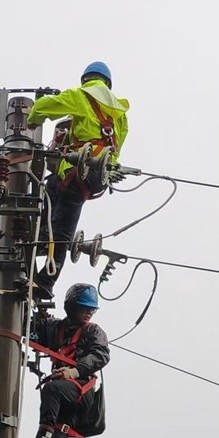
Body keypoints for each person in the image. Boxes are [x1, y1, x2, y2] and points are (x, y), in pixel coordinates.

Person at [26, 61, 130, 300]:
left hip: (78, 169)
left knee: (63, 225)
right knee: (51, 189)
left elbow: (44, 106)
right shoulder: (121, 116)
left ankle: (47, 279)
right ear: (108, 83)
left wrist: (33, 119)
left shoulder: (80, 96)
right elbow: (117, 149)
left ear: (87, 80)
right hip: (98, 174)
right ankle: (43, 235)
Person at [14, 283, 110, 438]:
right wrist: (28, 307)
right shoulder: (54, 328)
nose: (88, 313)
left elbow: (100, 355)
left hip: (80, 390)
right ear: (71, 307)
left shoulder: (93, 332)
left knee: (52, 390)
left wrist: (74, 371)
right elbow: (31, 331)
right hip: (65, 393)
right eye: (83, 308)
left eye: (91, 310)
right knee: (61, 431)